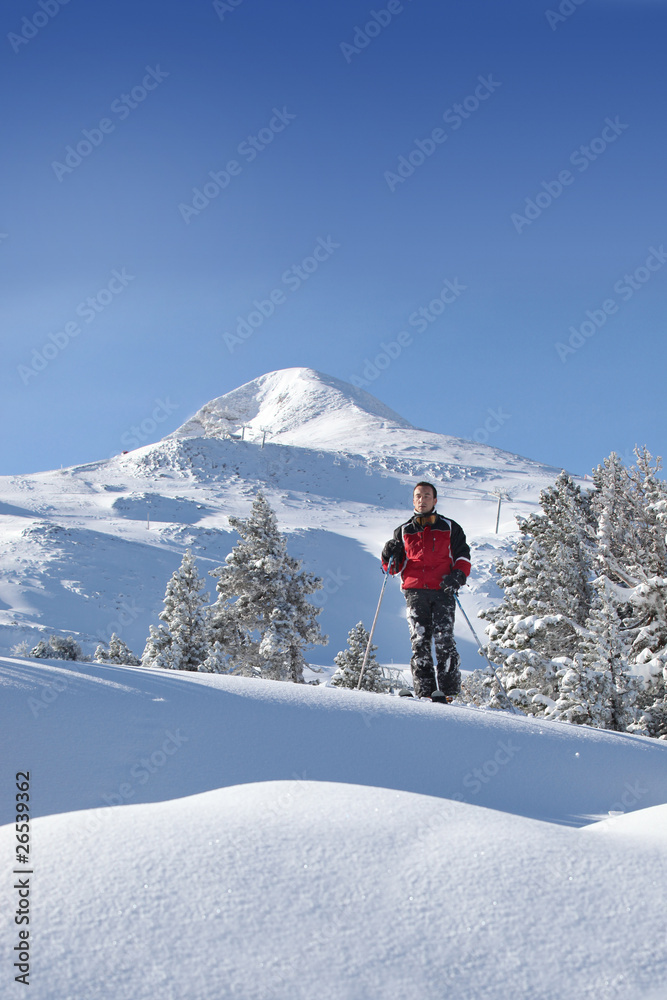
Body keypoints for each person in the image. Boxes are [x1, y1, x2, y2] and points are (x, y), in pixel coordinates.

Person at [381, 481, 471, 699]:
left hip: (443, 590)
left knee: (444, 640)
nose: (422, 500)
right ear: (413, 500)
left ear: (435, 500)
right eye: (418, 496)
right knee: (420, 641)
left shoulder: (450, 527)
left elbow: (463, 557)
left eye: (427, 496)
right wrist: (387, 554)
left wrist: (458, 576)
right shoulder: (403, 531)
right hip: (415, 591)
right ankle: (425, 693)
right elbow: (392, 568)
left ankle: (448, 693)